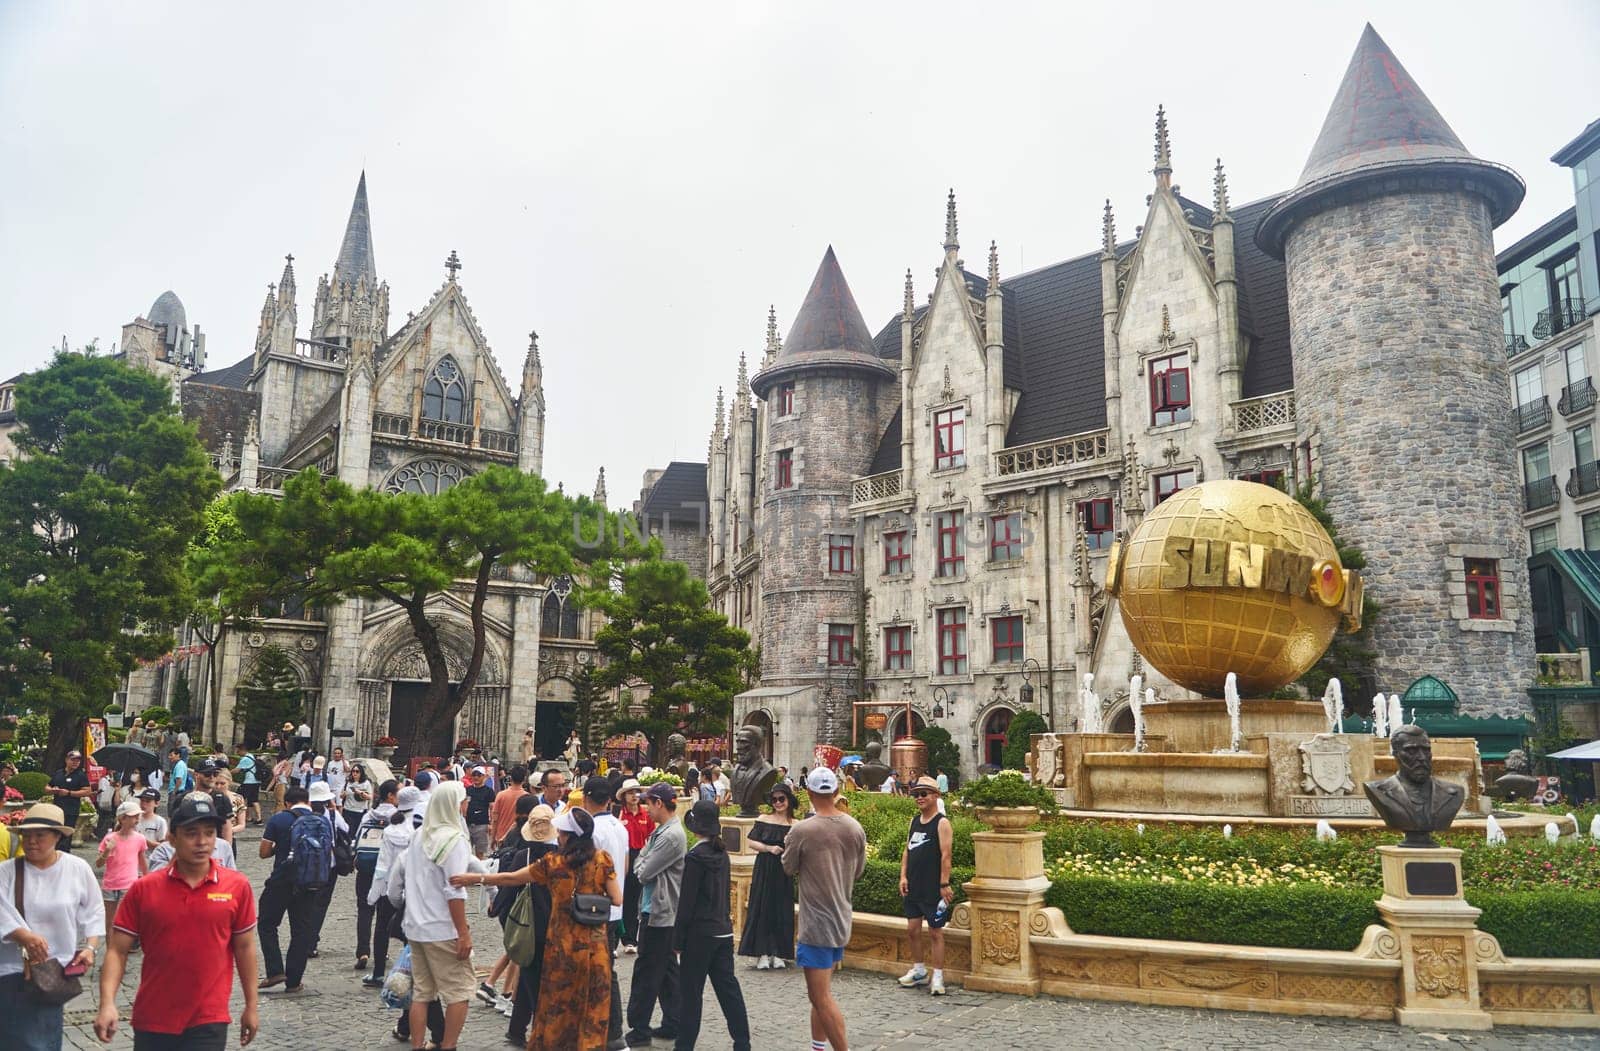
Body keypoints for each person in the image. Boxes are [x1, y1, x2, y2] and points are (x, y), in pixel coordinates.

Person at [96, 795, 260, 1050]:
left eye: (209, 833)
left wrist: (251, 1005)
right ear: (172, 837)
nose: (202, 842)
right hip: (153, 1016)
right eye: (191, 833)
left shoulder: (237, 886)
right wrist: (107, 1003)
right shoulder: (144, 889)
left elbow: (245, 948)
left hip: (209, 1018)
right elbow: (117, 950)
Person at [455, 806, 621, 1051]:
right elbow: (617, 899)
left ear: (567, 836)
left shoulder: (554, 864)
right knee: (590, 1007)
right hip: (595, 948)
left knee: (556, 1007)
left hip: (562, 947)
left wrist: (477, 878)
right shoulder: (602, 859)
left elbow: (512, 878)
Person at [0, 803, 103, 1051]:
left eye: (40, 835)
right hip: (13, 972)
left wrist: (90, 947)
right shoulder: (7, 871)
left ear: (57, 836)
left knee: (46, 1039)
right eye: (27, 835)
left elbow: (94, 911)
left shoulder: (76, 869)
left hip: (53, 973)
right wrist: (22, 935)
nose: (32, 841)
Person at [389, 781, 477, 1051]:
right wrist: (463, 932)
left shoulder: (418, 837)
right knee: (459, 991)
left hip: (415, 926)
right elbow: (455, 890)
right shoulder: (453, 839)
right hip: (442, 928)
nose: (466, 804)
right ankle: (448, 1045)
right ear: (453, 804)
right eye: (464, 800)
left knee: (423, 992)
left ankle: (418, 1045)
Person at [783, 766, 866, 1051]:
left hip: (816, 923)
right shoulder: (854, 827)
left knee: (820, 998)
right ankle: (818, 1046)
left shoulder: (803, 830)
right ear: (836, 791)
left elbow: (788, 867)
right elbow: (859, 871)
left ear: (808, 792)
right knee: (822, 994)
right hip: (841, 917)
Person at [675, 800, 752, 1051]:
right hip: (722, 929)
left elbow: (686, 904)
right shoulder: (722, 854)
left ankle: (684, 1046)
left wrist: (678, 941)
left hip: (699, 934)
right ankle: (742, 1042)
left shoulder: (696, 857)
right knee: (728, 988)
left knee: (691, 994)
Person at [626, 782, 684, 1048]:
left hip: (660, 911)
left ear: (659, 803)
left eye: (648, 803)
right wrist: (643, 859)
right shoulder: (662, 831)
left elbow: (643, 871)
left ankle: (639, 1027)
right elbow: (642, 860)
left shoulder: (671, 835)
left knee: (648, 970)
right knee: (667, 969)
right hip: (657, 908)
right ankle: (674, 1021)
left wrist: (643, 860)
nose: (645, 809)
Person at [256, 785, 324, 993]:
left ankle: (275, 970)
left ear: (287, 803)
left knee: (267, 924)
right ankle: (294, 981)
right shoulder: (321, 821)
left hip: (281, 880)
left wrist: (281, 847)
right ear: (308, 802)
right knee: (301, 931)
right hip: (310, 882)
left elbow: (264, 852)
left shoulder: (279, 819)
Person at [580, 775, 630, 1048]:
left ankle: (610, 1032)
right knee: (606, 968)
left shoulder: (592, 831)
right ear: (610, 800)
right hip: (613, 908)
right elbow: (623, 866)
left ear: (587, 798)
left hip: (594, 909)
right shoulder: (619, 828)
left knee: (601, 972)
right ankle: (610, 1031)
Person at [897, 775, 953, 995]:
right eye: (916, 794)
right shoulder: (914, 821)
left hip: (933, 886)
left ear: (935, 796)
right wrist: (903, 876)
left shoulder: (942, 823)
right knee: (912, 930)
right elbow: (907, 850)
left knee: (935, 932)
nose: (919, 798)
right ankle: (919, 969)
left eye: (923, 794)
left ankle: (937, 975)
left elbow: (946, 855)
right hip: (913, 884)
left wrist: (944, 883)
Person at [364, 784, 422, 989]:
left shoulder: (391, 828)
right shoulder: (420, 827)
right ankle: (411, 970)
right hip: (415, 887)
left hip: (390, 885)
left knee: (381, 928)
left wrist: (374, 891)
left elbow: (383, 865)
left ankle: (378, 973)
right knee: (411, 930)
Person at [738, 782, 798, 969]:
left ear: (789, 800)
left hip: (784, 870)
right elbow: (750, 841)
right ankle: (762, 952)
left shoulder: (795, 824)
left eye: (782, 799)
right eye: (774, 800)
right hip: (765, 867)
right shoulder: (764, 818)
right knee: (762, 908)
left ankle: (779, 952)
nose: (778, 803)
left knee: (782, 910)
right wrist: (768, 848)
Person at [353, 777, 398, 975]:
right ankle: (382, 950)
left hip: (365, 866)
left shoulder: (368, 815)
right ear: (390, 795)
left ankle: (363, 951)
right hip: (387, 869)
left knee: (364, 908)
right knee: (384, 912)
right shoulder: (398, 817)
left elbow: (357, 839)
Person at [96, 799, 149, 933]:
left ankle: (120, 950)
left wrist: (148, 881)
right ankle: (110, 951)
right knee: (110, 923)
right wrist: (107, 850)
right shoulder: (110, 838)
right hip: (110, 885)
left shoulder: (140, 839)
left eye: (138, 816)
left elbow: (142, 862)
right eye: (134, 817)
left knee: (123, 922)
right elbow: (98, 864)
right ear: (122, 819)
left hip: (129, 885)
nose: (137, 819)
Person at [614, 777, 652, 953]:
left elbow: (651, 837)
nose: (634, 796)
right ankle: (613, 940)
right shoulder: (618, 814)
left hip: (639, 856)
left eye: (637, 792)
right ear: (624, 796)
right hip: (622, 855)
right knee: (617, 899)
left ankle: (630, 940)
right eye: (630, 793)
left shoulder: (646, 815)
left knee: (633, 900)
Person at [46, 750, 92, 850]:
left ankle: (64, 856)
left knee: (66, 837)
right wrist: (53, 790)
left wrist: (69, 793)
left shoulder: (80, 775)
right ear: (66, 760)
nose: (76, 762)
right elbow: (47, 787)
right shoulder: (59, 773)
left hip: (70, 811)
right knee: (55, 834)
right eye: (73, 760)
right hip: (57, 810)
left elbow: (87, 791)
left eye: (78, 761)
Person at [489, 764, 529, 846]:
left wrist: (493, 838)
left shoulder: (501, 795)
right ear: (524, 779)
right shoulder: (527, 797)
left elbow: (495, 819)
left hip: (501, 836)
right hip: (520, 837)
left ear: (511, 778)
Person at [464, 766, 496, 858]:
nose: (476, 777)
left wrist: (490, 824)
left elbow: (492, 808)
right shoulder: (467, 790)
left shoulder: (489, 791)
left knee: (480, 852)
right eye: (474, 775)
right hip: (468, 824)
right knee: (466, 852)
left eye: (479, 775)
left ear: (484, 777)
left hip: (481, 825)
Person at [342, 763, 373, 832]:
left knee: (357, 831)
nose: (355, 773)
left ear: (361, 773)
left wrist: (359, 792)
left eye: (357, 771)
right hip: (348, 809)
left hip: (359, 811)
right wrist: (343, 795)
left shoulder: (366, 783)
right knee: (348, 830)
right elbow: (342, 795)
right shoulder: (348, 782)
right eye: (353, 771)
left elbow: (370, 797)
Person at [236, 751, 262, 825]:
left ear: (241, 749)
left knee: (240, 798)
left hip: (248, 782)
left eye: (237, 750)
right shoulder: (252, 756)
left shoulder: (245, 759)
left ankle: (240, 816)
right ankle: (257, 818)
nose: (237, 752)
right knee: (254, 800)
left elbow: (237, 770)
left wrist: (227, 773)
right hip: (257, 781)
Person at [165, 748, 191, 819]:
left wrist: (174, 791)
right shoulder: (179, 764)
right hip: (177, 792)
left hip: (177, 793)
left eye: (171, 755)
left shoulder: (180, 765)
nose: (169, 757)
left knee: (172, 814)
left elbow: (179, 780)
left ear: (178, 755)